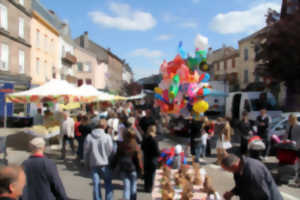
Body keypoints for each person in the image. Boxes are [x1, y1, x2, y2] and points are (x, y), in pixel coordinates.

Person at [84, 119, 114, 200]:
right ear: (104, 126)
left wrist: (86, 163)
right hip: (105, 164)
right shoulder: (107, 137)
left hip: (94, 164)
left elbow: (86, 152)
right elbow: (111, 151)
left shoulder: (89, 137)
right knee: (108, 184)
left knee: (96, 185)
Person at [115, 128, 144, 200]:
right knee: (133, 186)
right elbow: (139, 160)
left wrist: (115, 166)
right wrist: (141, 170)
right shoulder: (136, 147)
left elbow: (117, 156)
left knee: (126, 188)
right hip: (133, 169)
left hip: (123, 168)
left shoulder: (121, 145)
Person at [141, 125, 160, 193]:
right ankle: (150, 188)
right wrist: (159, 154)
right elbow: (157, 151)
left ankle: (146, 187)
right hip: (153, 159)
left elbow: (142, 147)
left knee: (146, 174)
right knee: (151, 174)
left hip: (146, 158)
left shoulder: (145, 138)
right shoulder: (154, 139)